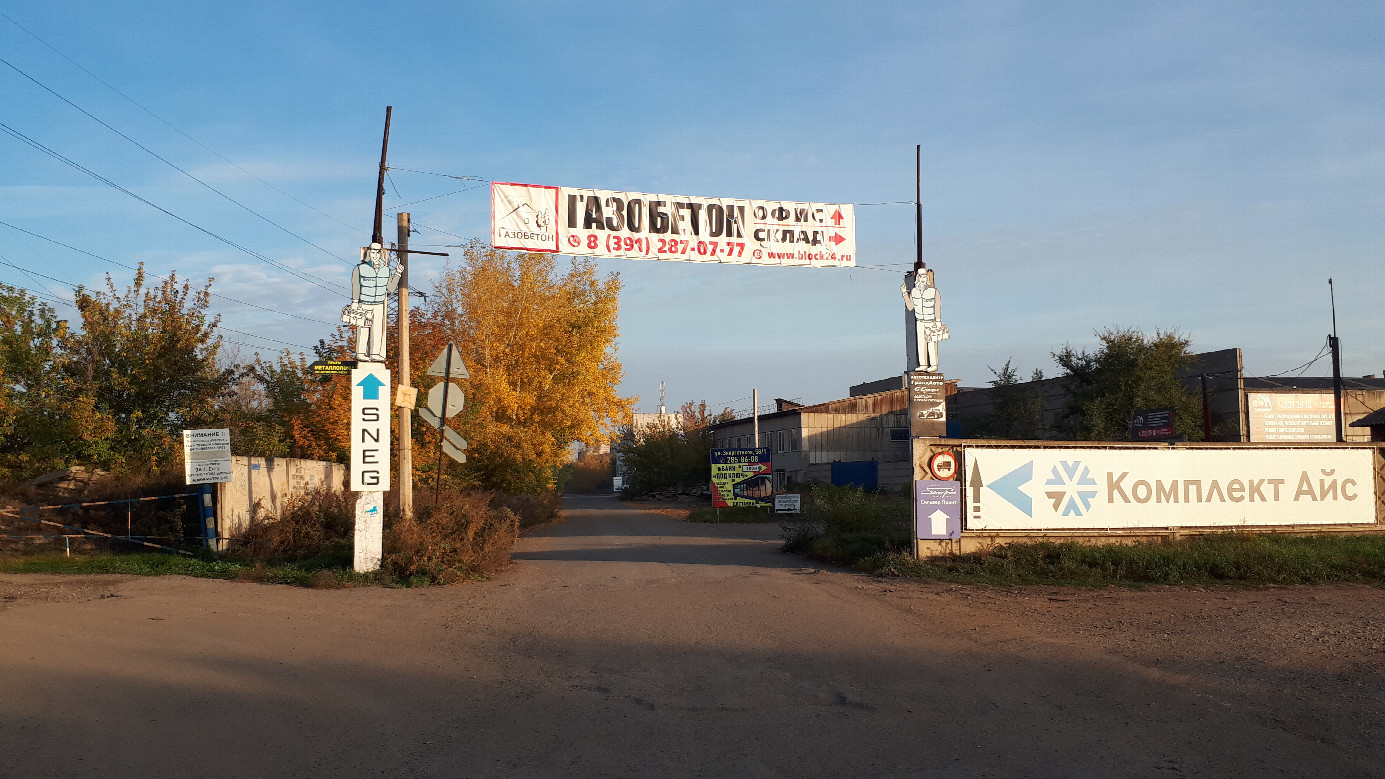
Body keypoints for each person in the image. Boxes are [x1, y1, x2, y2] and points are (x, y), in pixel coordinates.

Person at [342, 242, 400, 362]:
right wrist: (355, 301)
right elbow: (356, 285)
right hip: (364, 303)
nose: (375, 255)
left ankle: (374, 353)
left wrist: (398, 273)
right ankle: (361, 353)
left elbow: (391, 288)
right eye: (372, 252)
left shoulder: (386, 270)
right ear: (369, 253)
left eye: (377, 252)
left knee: (377, 328)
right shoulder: (359, 268)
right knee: (363, 327)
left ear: (380, 254)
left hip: (379, 304)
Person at [901, 266, 948, 373]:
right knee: (921, 343)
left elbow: (937, 306)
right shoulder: (914, 291)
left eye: (924, 276)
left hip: (931, 321)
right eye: (920, 276)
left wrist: (938, 321)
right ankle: (923, 364)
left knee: (932, 343)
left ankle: (934, 365)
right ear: (917, 278)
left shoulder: (934, 291)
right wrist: (904, 294)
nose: (922, 279)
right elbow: (910, 307)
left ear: (927, 278)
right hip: (920, 321)